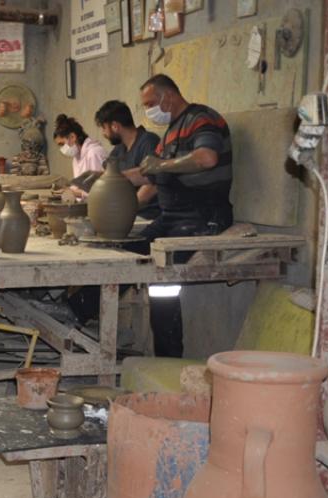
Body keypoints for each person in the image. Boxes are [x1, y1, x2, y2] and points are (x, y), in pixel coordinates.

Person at [136, 74, 235, 358]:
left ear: (168, 96)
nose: (148, 111)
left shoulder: (201, 118)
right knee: (126, 253)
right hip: (172, 217)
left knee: (162, 280)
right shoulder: (170, 132)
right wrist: (108, 178)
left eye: (150, 104)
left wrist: (163, 165)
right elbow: (148, 174)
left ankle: (169, 359)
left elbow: (207, 158)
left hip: (203, 215)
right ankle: (76, 313)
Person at [94, 100, 160, 219]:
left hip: (147, 214)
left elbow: (153, 184)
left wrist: (122, 210)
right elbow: (108, 174)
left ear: (115, 126)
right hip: (127, 213)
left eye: (104, 128)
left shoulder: (149, 141)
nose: (104, 134)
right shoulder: (119, 149)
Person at [52, 114, 108, 191]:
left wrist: (78, 192)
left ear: (72, 137)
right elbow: (79, 186)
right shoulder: (76, 157)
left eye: (62, 144)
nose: (62, 149)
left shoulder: (94, 153)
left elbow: (98, 189)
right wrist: (69, 189)